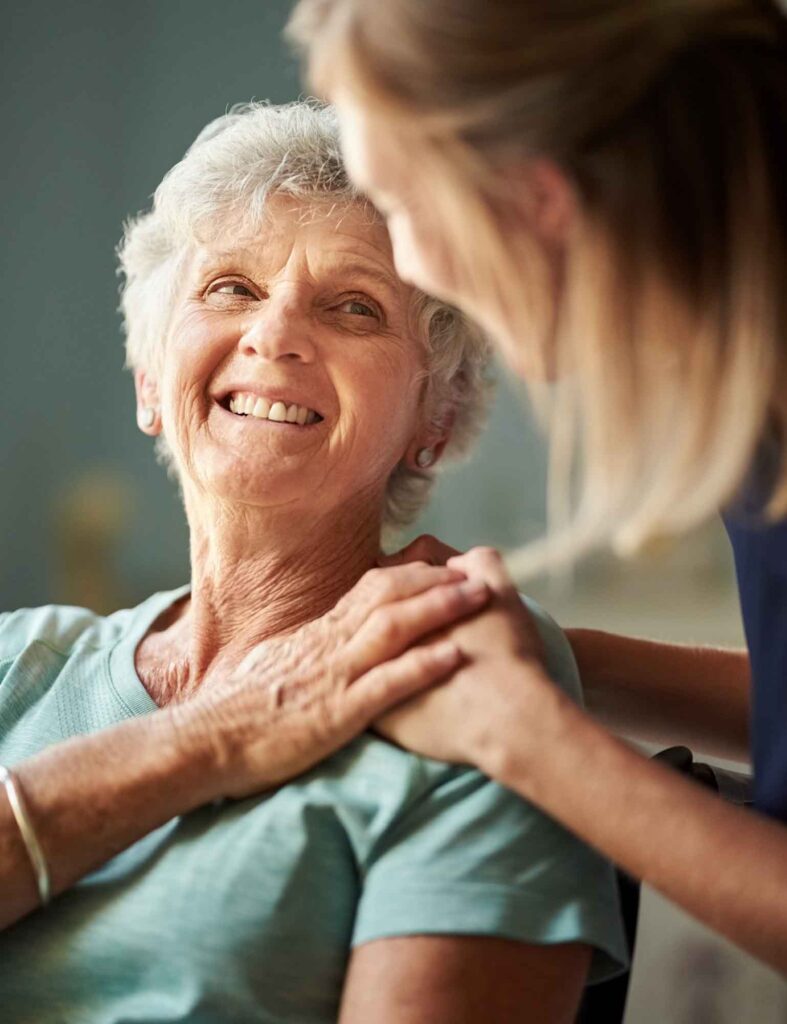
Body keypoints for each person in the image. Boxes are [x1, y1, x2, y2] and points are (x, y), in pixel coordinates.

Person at [0, 101, 626, 1022]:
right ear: (148, 380)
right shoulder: (17, 664)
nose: (276, 333)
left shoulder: (466, 677)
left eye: (355, 307)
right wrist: (209, 738)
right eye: (228, 289)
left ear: (434, 422)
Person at [288, 0, 787, 974]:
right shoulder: (756, 401)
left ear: (534, 198)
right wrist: (558, 661)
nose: (403, 261)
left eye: (396, 204)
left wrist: (529, 741)